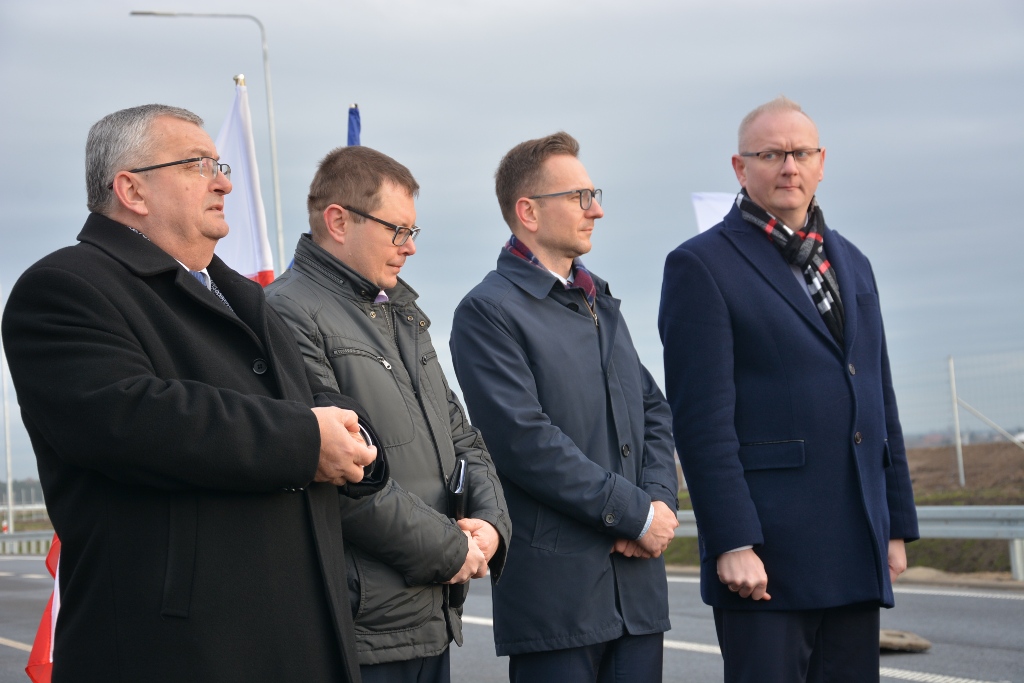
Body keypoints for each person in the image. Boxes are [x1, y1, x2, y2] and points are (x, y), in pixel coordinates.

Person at [0, 104, 387, 683]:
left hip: (306, 636)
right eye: (196, 165)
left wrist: (358, 447)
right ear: (132, 190)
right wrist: (307, 441)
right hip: (180, 649)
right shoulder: (64, 288)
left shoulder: (247, 297)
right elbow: (132, 420)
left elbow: (326, 399)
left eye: (220, 165)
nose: (223, 182)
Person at [658, 96, 919, 682]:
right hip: (766, 560)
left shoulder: (852, 261)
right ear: (740, 167)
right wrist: (731, 541)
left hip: (855, 545)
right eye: (770, 154)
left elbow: (879, 398)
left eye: (800, 153)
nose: (788, 167)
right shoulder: (701, 265)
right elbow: (701, 423)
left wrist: (895, 522)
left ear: (822, 162)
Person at [264, 145, 510, 683]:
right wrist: (452, 550)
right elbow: (343, 476)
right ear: (338, 222)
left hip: (431, 612)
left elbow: (462, 437)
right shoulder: (287, 312)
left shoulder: (402, 313)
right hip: (365, 626)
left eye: (412, 231)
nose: (411, 247)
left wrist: (491, 525)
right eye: (398, 230)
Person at [450, 132, 679, 683]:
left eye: (593, 195)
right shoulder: (488, 312)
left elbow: (652, 410)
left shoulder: (600, 301)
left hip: (637, 593)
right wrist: (635, 514)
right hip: (558, 601)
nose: (595, 210)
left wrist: (658, 503)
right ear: (528, 211)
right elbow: (525, 443)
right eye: (579, 197)